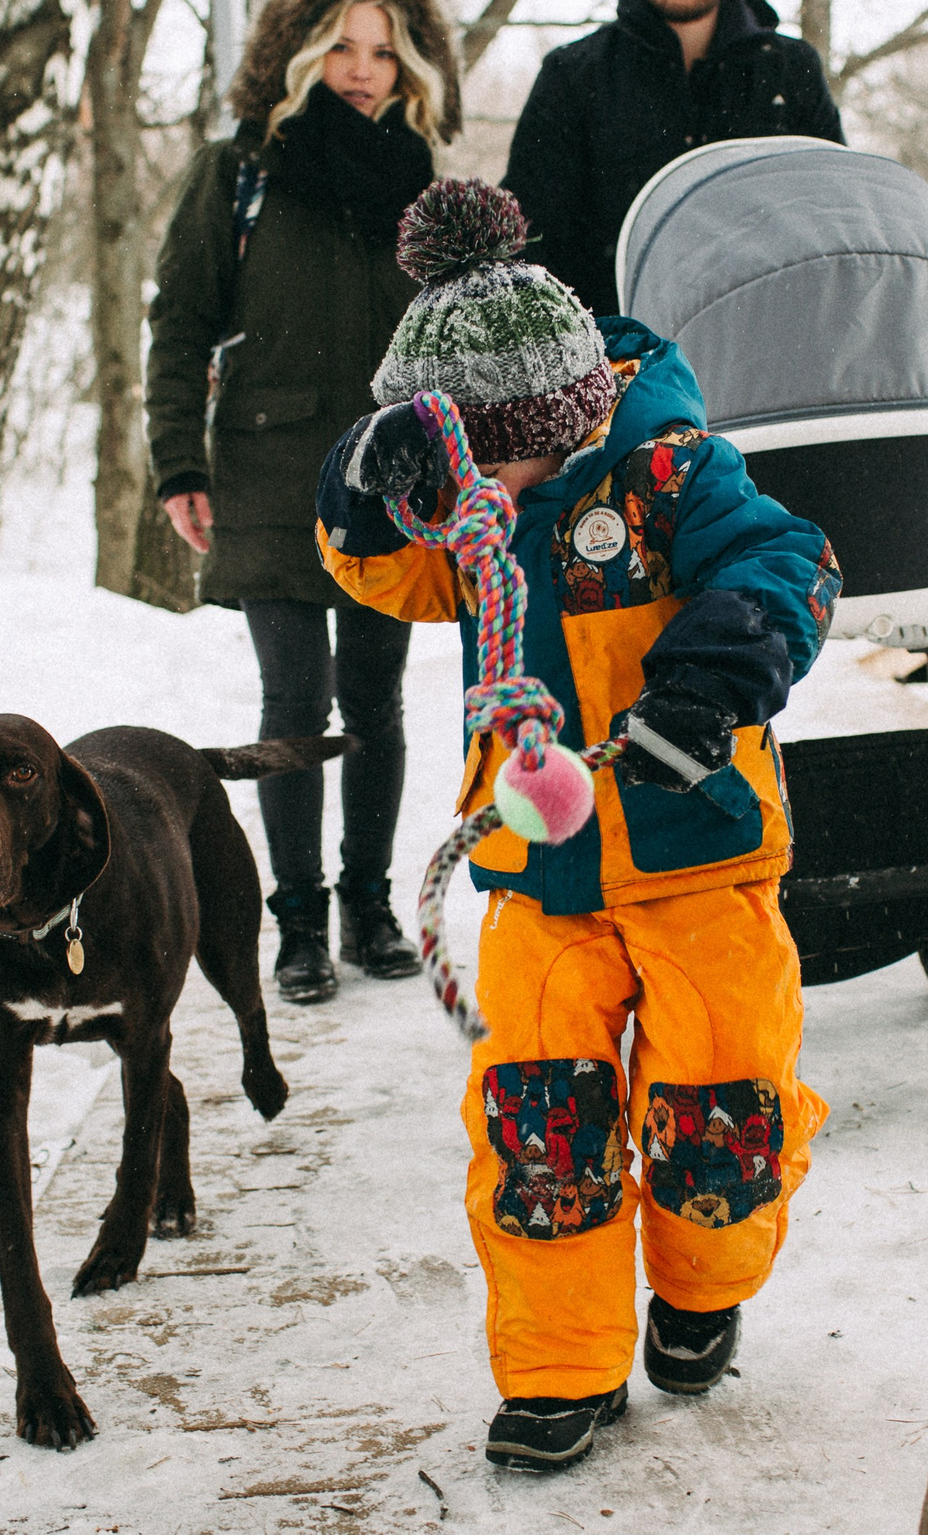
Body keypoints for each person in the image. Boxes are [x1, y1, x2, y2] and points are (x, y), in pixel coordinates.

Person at [314, 179, 843, 1474]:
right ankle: (559, 1362)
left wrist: (708, 686)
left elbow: (793, 565)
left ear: (567, 413)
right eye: (455, 471)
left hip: (699, 854)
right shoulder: (473, 516)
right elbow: (374, 560)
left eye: (495, 462)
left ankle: (705, 1285)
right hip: (538, 879)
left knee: (722, 1108)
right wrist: (366, 480)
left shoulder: (672, 474)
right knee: (539, 1121)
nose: (480, 493)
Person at [146, 0, 464, 1005]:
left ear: (410, 65)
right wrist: (176, 465)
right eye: (341, 46)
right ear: (300, 54)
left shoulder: (424, 186)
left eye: (385, 49)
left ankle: (369, 904)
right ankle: (297, 919)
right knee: (295, 697)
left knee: (373, 697)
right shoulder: (240, 171)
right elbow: (180, 323)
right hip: (269, 466)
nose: (364, 68)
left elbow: (459, 337)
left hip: (388, 473)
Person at [501, 0, 844, 316]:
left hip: (766, 352)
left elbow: (836, 220)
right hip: (618, 360)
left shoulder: (789, 69)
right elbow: (528, 241)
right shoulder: (574, 76)